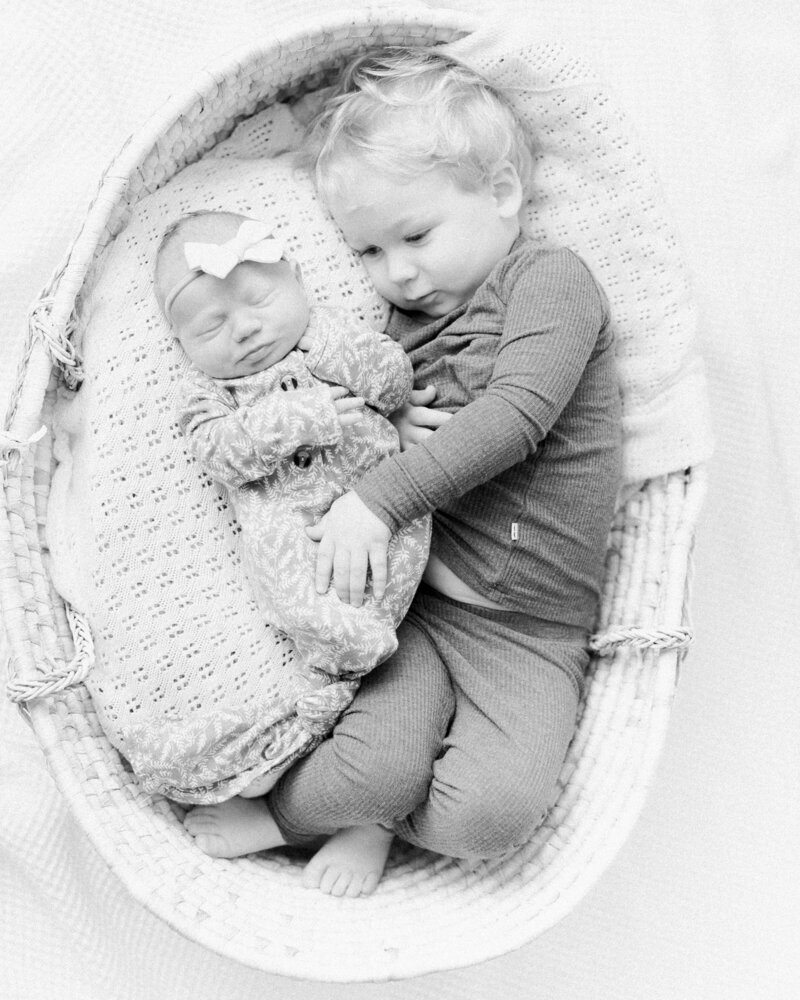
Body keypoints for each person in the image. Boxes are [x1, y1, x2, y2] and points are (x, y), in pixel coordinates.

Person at [183, 47, 622, 900]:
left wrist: (380, 499)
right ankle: (306, 815)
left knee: (488, 820)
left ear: (501, 194)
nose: (398, 273)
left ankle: (378, 816)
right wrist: (382, 425)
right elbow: (356, 411)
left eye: (415, 236)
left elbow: (515, 419)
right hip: (409, 609)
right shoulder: (395, 326)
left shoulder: (550, 282)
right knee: (375, 768)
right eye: (371, 251)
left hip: (529, 629)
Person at [155, 210, 430, 802]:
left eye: (259, 300)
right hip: (289, 527)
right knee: (291, 588)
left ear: (299, 282)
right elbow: (221, 454)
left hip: (378, 503)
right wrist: (301, 417)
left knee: (393, 555)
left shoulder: (333, 337)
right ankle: (331, 682)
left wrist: (325, 343)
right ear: (181, 346)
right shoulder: (207, 396)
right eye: (210, 329)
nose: (246, 329)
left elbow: (392, 382)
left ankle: (347, 667)